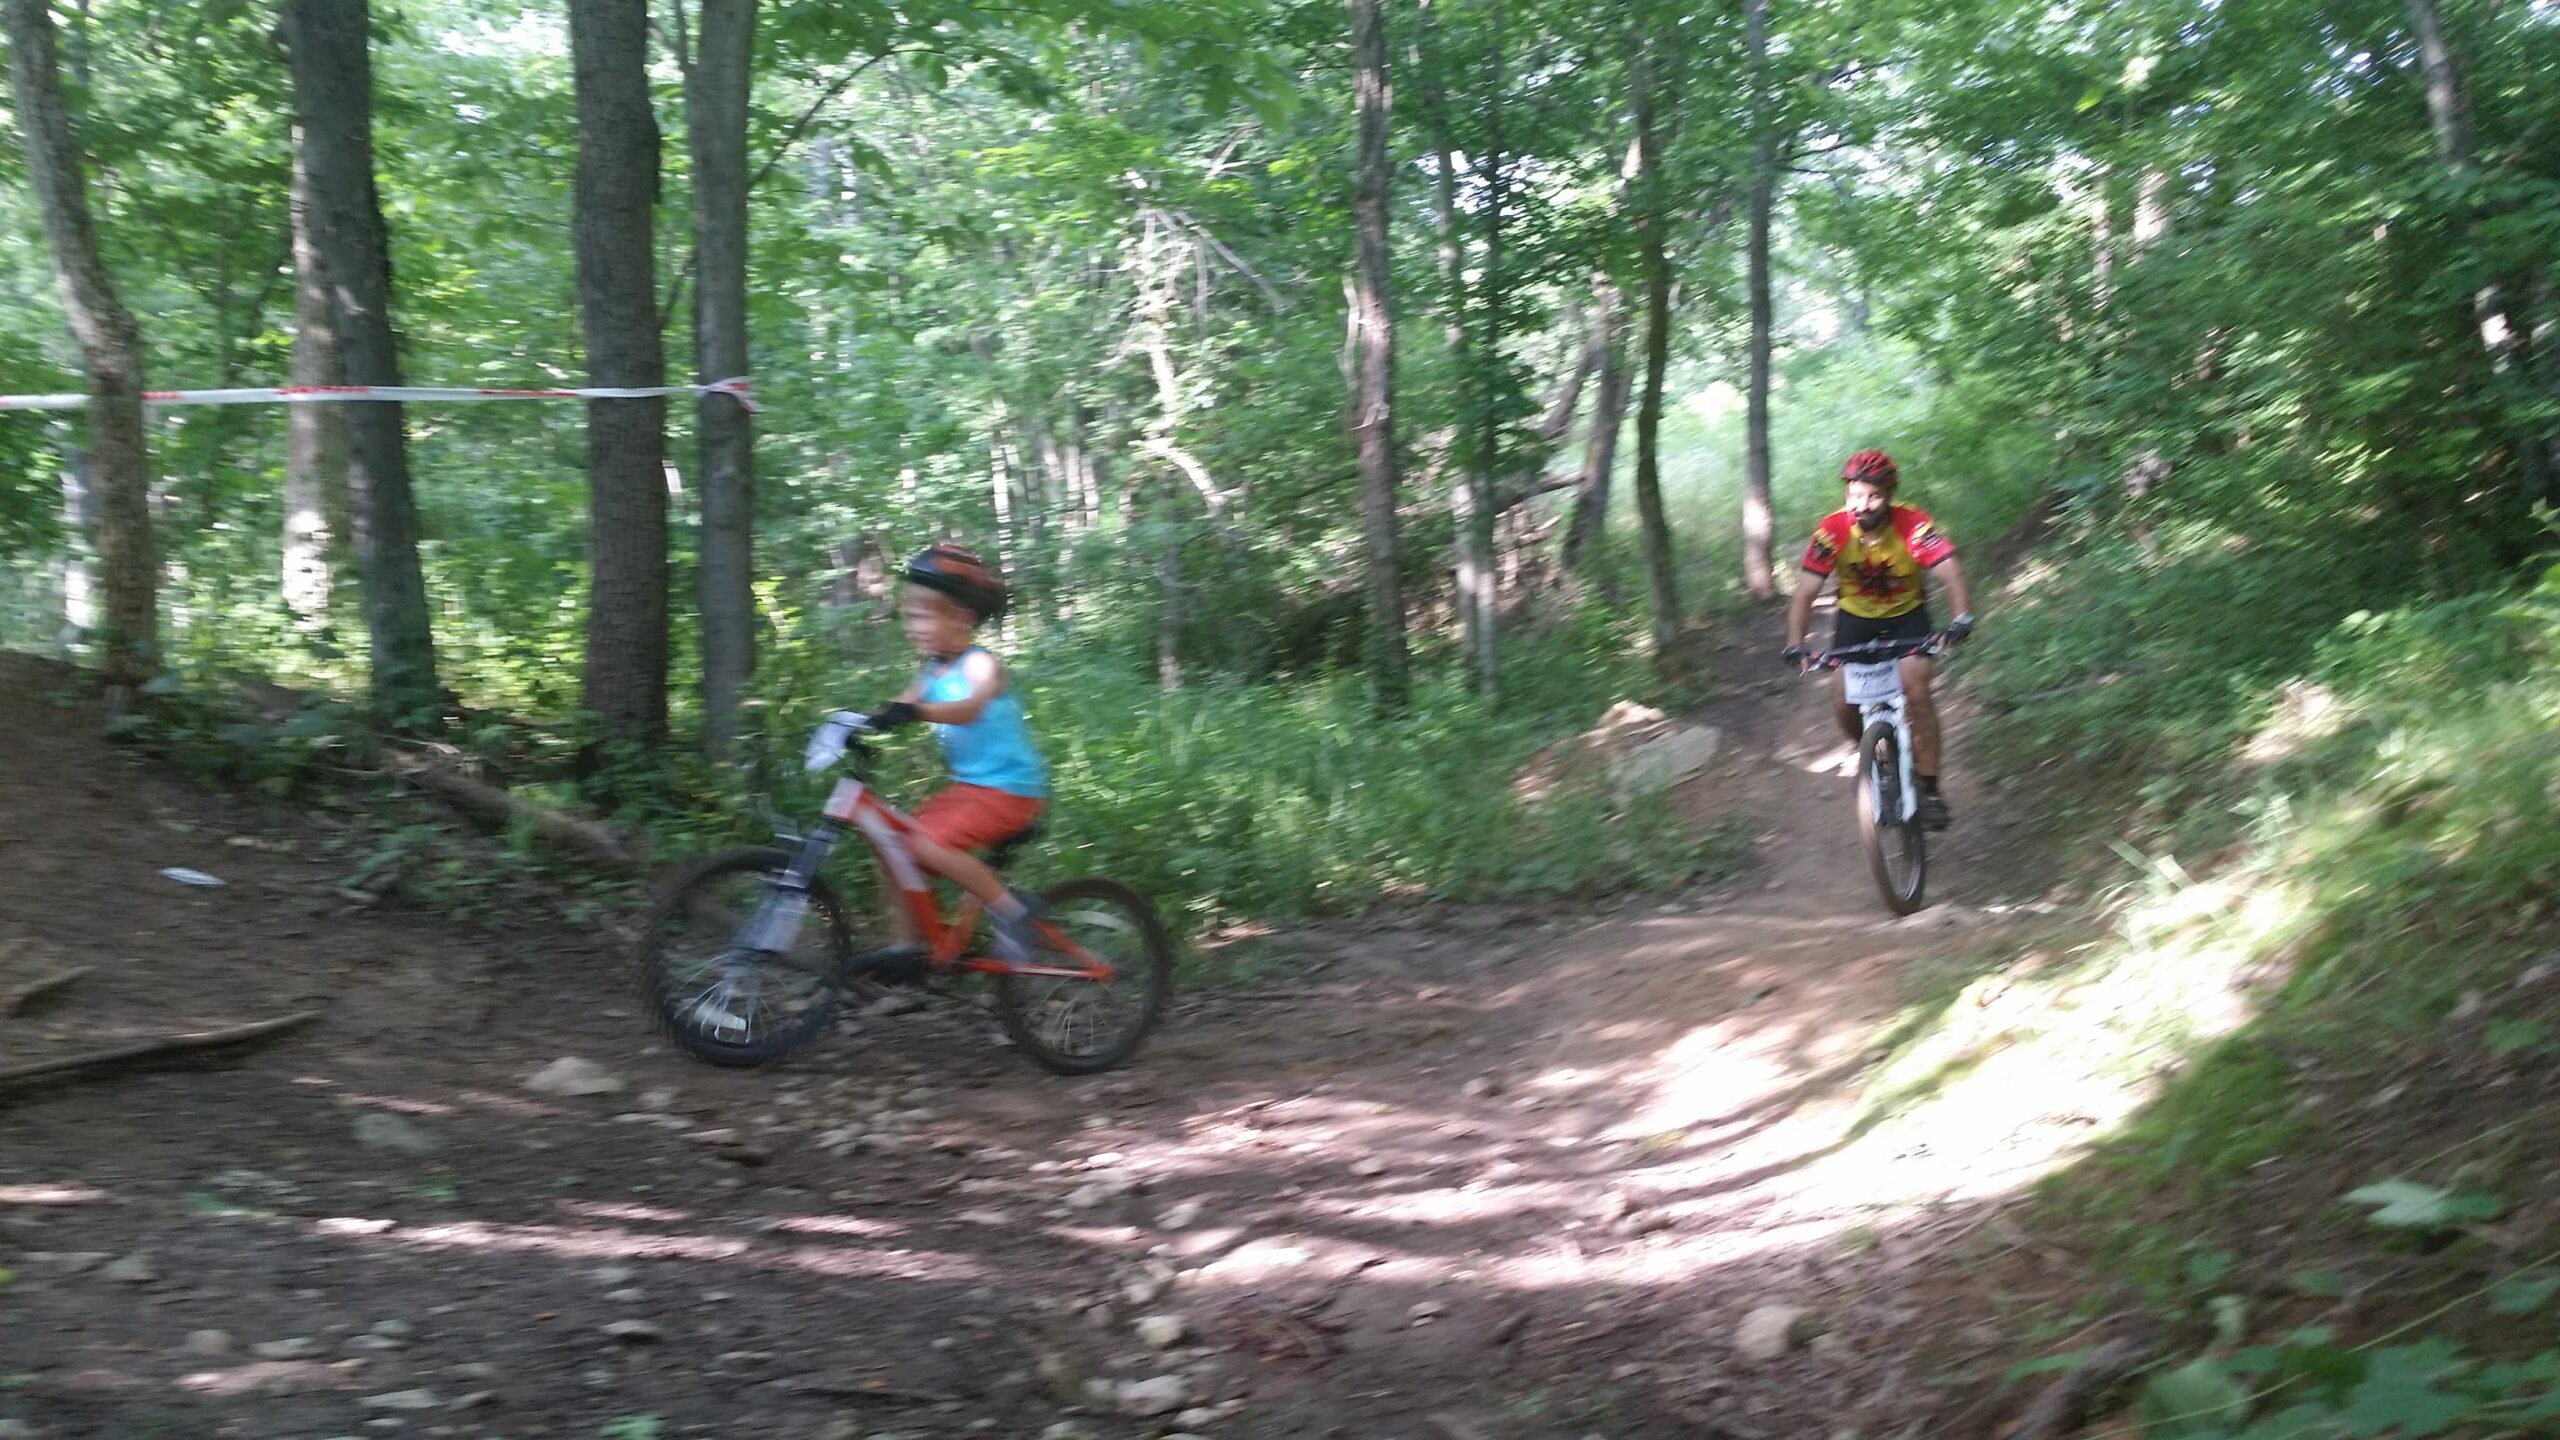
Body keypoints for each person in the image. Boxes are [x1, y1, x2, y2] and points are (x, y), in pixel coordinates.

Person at [863, 542, 1053, 964]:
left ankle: (1013, 911)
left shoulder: (981, 665)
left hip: (1010, 790)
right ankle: (907, 950)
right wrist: (856, 725)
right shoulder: (931, 671)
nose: (911, 626)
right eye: (908, 616)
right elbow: (895, 706)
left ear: (962, 617)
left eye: (922, 615)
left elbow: (968, 710)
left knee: (928, 844)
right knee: (896, 849)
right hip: (971, 791)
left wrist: (912, 710)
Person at [1780, 449, 1975, 829]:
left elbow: (1950, 572)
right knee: (1842, 699)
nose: (1862, 505)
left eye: (1873, 496)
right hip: (1856, 619)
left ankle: (1930, 787)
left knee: (1916, 690)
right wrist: (1795, 642)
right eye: (1854, 495)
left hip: (1907, 616)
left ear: (1889, 494)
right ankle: (1874, 757)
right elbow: (1804, 592)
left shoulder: (1914, 525)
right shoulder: (1832, 531)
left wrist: (1960, 618)